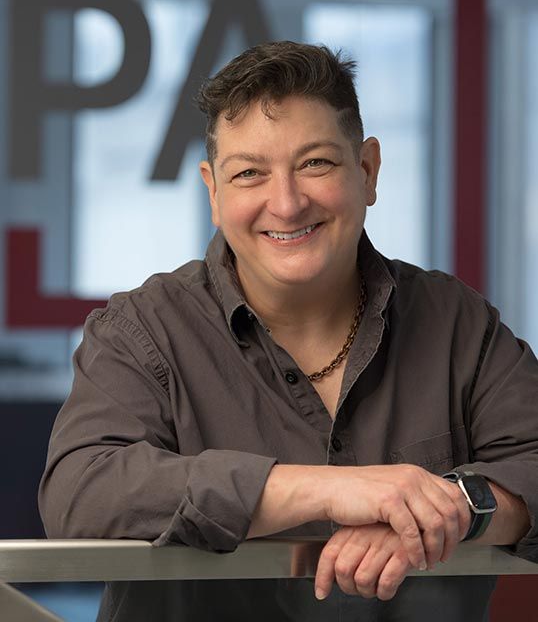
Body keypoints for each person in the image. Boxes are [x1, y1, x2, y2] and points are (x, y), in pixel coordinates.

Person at [39, 41, 538, 621]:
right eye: (249, 173)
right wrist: (327, 489)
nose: (286, 203)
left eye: (315, 164)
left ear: (368, 171)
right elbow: (81, 491)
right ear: (213, 192)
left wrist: (447, 509)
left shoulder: (457, 321)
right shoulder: (141, 330)